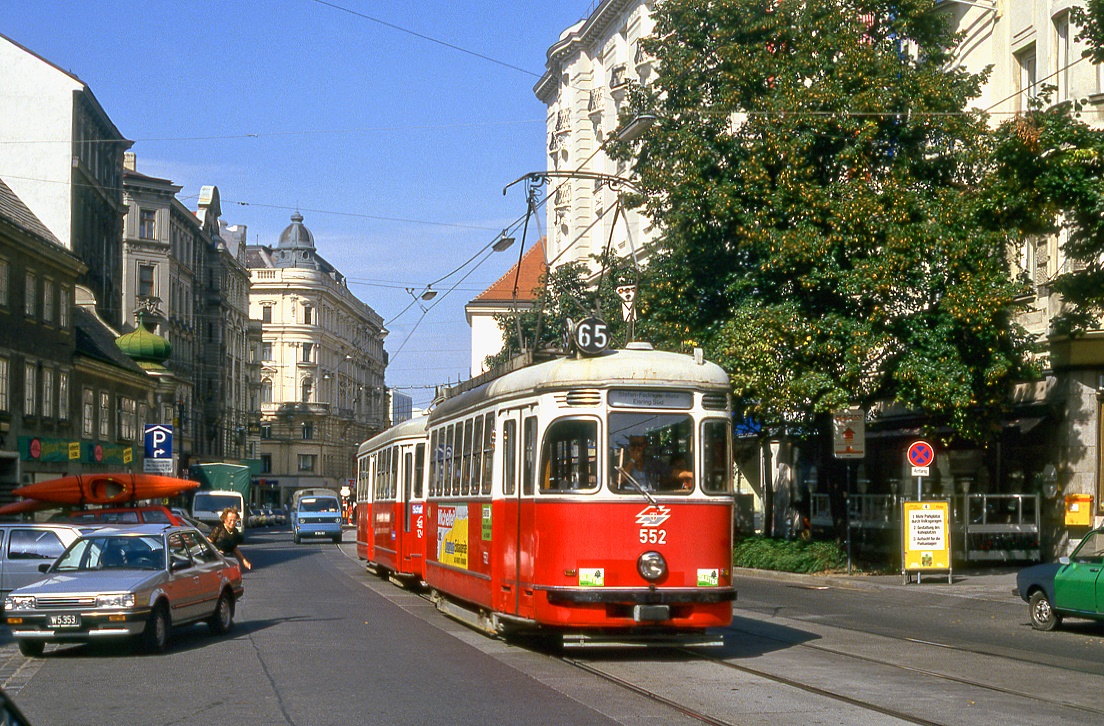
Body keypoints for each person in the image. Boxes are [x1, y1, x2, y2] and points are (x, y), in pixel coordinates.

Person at [616, 436, 693, 491]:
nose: (637, 448)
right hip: (630, 500)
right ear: (629, 446)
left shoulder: (652, 462)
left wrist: (689, 474)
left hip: (651, 497)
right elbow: (619, 480)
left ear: (644, 446)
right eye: (633, 445)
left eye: (639, 445)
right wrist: (632, 461)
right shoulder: (622, 461)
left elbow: (671, 472)